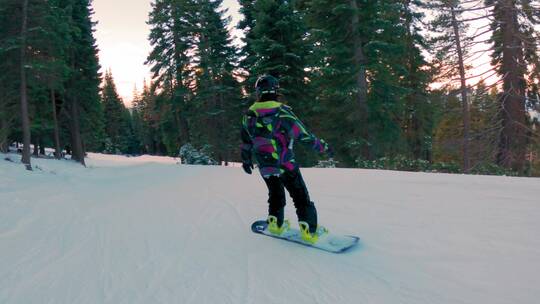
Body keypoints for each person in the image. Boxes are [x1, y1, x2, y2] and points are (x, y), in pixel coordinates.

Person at [240, 74, 333, 244]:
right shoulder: (282, 112)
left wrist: (246, 160)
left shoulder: (249, 114)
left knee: (275, 193)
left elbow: (246, 141)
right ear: (276, 90)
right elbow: (303, 135)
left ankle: (275, 223)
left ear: (258, 92)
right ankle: (309, 230)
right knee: (300, 197)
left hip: (265, 166)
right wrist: (323, 148)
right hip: (285, 164)